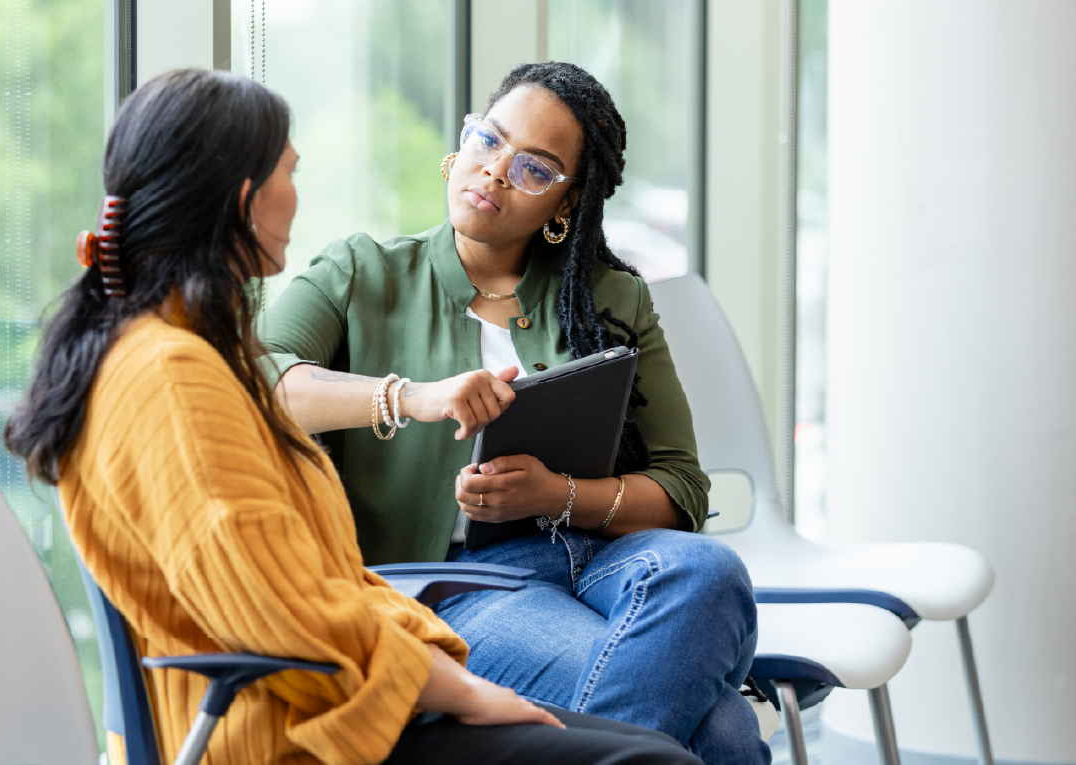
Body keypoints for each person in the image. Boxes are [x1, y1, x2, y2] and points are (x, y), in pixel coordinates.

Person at [4, 68, 701, 765]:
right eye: (290, 172)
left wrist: (437, 661)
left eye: (533, 167)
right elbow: (278, 607)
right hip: (301, 724)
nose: (298, 197)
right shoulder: (175, 374)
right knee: (666, 751)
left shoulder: (182, 358)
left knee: (696, 641)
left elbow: (303, 585)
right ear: (247, 199)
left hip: (346, 684)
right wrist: (455, 686)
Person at [259, 62, 769, 763]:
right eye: (488, 141)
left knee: (710, 573)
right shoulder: (362, 272)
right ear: (461, 141)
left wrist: (553, 494)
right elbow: (256, 381)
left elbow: (682, 490)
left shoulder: (612, 297)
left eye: (535, 169)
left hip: (606, 559)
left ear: (568, 202)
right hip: (458, 584)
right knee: (723, 730)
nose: (496, 171)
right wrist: (411, 395)